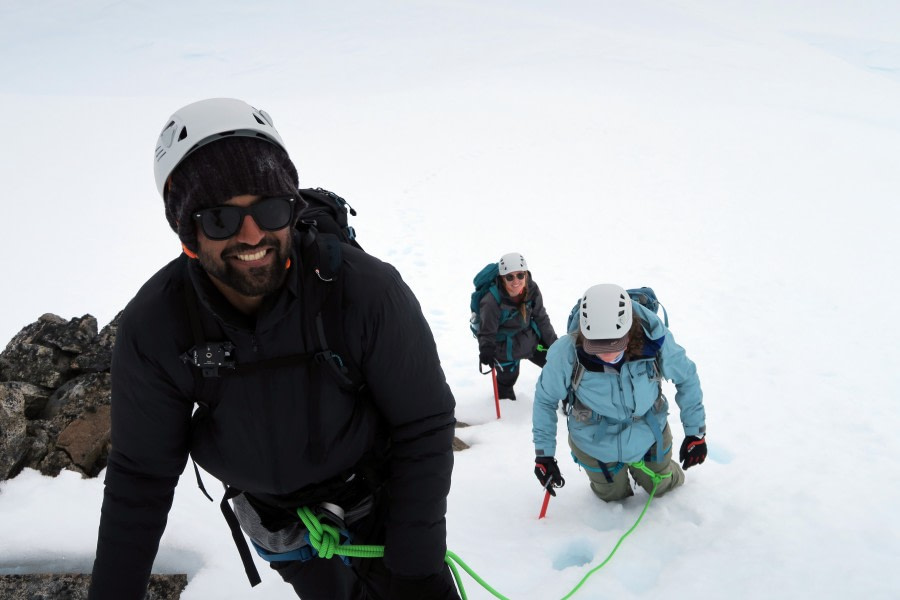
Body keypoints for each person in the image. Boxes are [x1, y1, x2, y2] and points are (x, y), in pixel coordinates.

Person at [88, 98, 460, 600]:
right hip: (275, 521)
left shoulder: (364, 292)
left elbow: (424, 420)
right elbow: (141, 477)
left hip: (379, 506)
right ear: (188, 231)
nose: (252, 234)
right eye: (220, 218)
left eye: (269, 208)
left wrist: (415, 566)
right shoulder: (158, 326)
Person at [532, 284, 706, 502]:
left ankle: (652, 472)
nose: (606, 354)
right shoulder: (566, 352)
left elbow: (686, 377)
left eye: (615, 343)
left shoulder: (655, 339)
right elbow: (545, 399)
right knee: (612, 496)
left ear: (628, 331)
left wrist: (695, 432)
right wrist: (544, 455)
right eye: (596, 345)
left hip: (649, 432)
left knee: (662, 486)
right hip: (594, 441)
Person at [476, 252, 557, 400]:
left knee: (556, 364)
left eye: (520, 275)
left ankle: (565, 399)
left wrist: (554, 344)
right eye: (509, 277)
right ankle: (507, 408)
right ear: (502, 278)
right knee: (507, 382)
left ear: (526, 274)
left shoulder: (531, 289)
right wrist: (486, 348)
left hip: (530, 339)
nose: (516, 281)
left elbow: (541, 317)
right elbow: (487, 331)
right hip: (504, 348)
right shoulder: (491, 301)